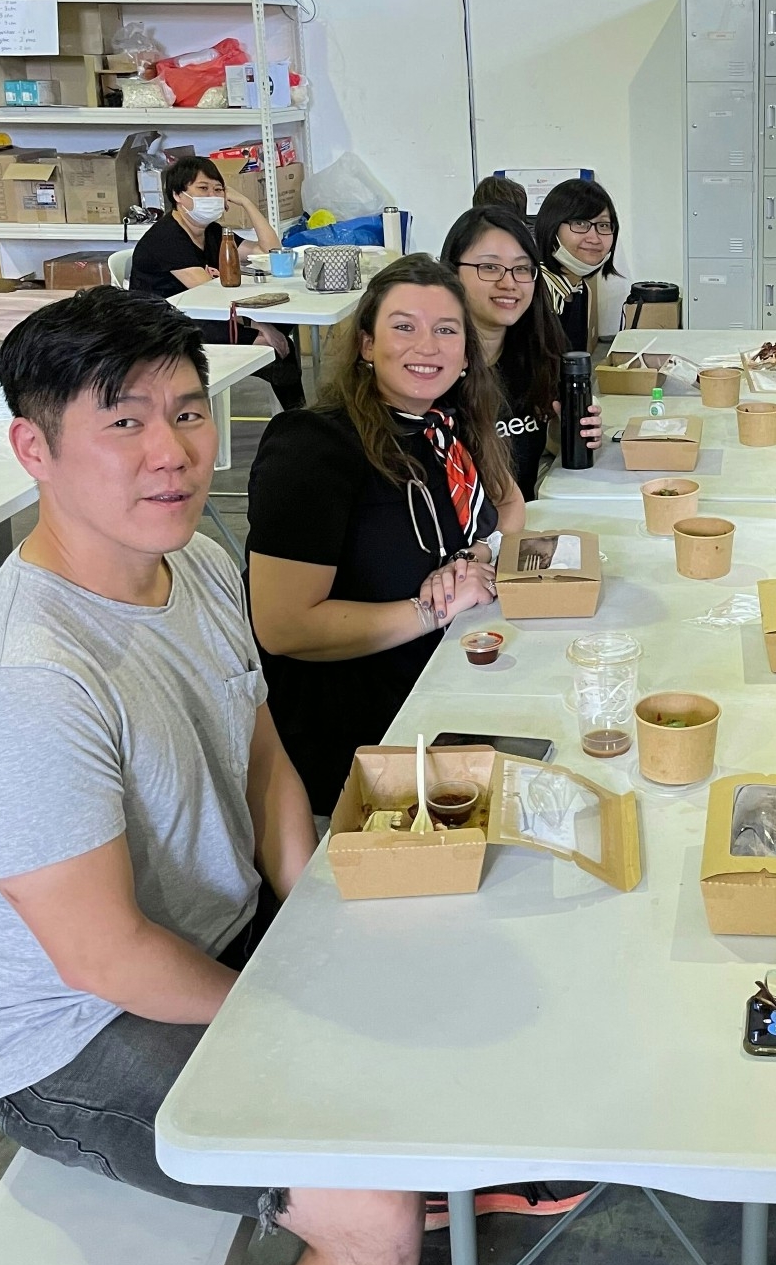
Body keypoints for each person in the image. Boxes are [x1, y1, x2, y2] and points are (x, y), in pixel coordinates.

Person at [0, 288, 423, 1265]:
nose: (174, 451)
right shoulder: (29, 671)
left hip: (208, 944)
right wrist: (291, 1012)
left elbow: (261, 737)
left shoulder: (199, 558)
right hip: (70, 1036)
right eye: (122, 423)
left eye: (186, 410)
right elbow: (100, 954)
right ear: (35, 448)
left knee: (429, 993)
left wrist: (316, 904)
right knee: (373, 1213)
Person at [246, 257, 524, 816]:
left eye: (446, 330)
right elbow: (282, 627)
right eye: (404, 326)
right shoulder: (312, 447)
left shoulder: (448, 424)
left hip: (448, 680)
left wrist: (472, 557)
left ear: (467, 352)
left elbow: (511, 506)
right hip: (364, 737)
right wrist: (432, 609)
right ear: (366, 345)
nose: (428, 345)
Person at [439, 204, 603, 499]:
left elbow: (542, 447)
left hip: (521, 529)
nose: (509, 283)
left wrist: (565, 431)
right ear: (452, 272)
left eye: (521, 268)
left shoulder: (537, 350)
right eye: (489, 267)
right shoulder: (433, 369)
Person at [129, 153, 305, 410]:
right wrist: (261, 326)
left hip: (203, 313)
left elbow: (269, 251)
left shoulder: (211, 232)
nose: (212, 196)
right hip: (166, 325)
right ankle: (296, 419)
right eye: (203, 188)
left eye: (218, 189)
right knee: (274, 342)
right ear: (178, 195)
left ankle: (295, 415)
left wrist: (246, 202)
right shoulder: (166, 238)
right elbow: (209, 295)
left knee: (284, 320)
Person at [534, 177, 621, 354]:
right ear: (552, 226)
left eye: (603, 225)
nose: (594, 238)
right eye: (580, 223)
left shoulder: (580, 289)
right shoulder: (533, 291)